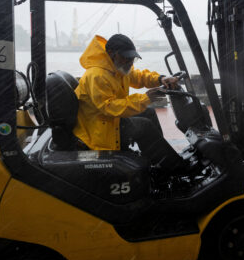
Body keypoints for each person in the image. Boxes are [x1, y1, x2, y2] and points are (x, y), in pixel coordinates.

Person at [73, 34, 187, 172]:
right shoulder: (97, 75)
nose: (130, 62)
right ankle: (176, 169)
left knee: (149, 112)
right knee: (144, 126)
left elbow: (139, 77)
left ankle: (157, 157)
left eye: (132, 58)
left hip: (108, 120)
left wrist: (160, 79)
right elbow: (110, 107)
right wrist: (145, 98)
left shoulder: (118, 68)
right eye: (126, 58)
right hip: (99, 129)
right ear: (111, 54)